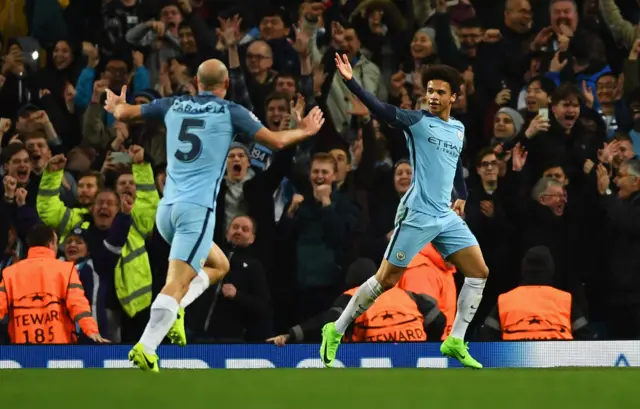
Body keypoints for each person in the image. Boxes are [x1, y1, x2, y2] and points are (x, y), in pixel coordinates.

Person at [103, 58, 325, 372]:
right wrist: (304, 130)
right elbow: (275, 141)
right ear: (225, 86)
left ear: (196, 81)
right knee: (176, 282)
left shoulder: (174, 104)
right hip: (196, 211)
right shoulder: (230, 111)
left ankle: (177, 308)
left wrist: (116, 106)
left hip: (167, 211)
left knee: (220, 265)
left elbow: (126, 113)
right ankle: (146, 346)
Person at [320, 54, 490, 369]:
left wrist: (462, 195)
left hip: (445, 216)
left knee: (479, 273)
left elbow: (454, 167)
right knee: (385, 279)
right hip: (417, 214)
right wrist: (351, 82)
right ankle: (336, 329)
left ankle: (455, 340)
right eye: (430, 91)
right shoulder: (416, 121)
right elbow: (382, 109)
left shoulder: (458, 129)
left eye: (440, 92)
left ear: (454, 96)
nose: (433, 97)